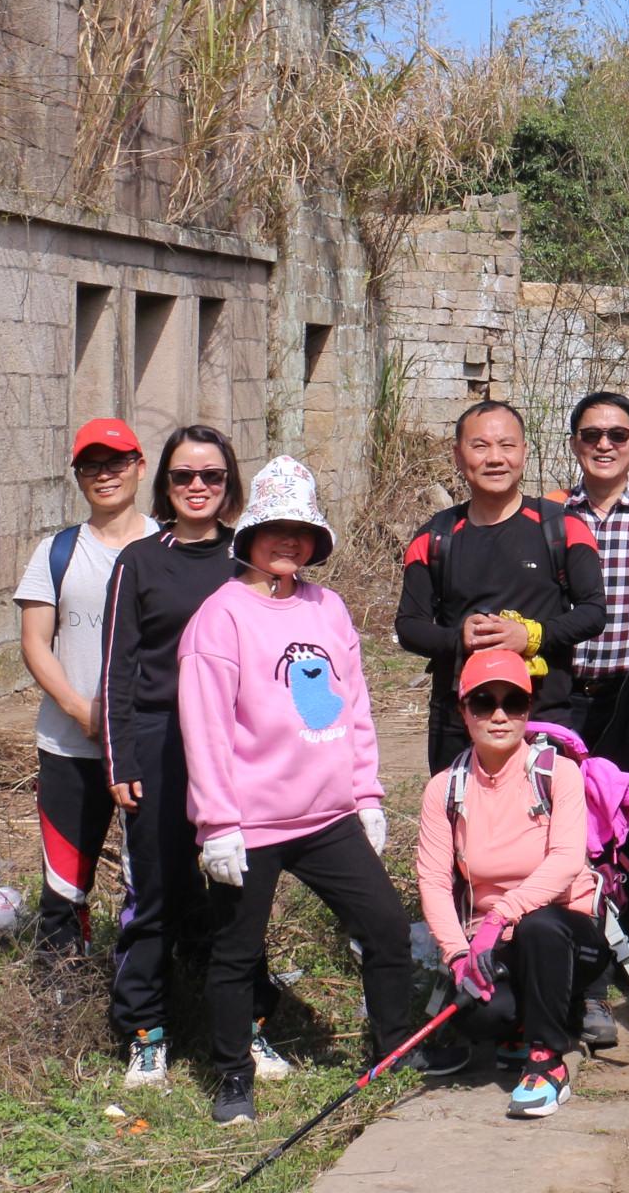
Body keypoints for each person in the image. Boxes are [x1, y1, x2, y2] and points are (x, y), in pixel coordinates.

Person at [177, 457, 415, 1127]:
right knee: (236, 952)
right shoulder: (220, 618)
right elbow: (205, 729)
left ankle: (394, 1050)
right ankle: (233, 1076)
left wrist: (366, 796)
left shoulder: (328, 608)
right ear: (251, 535)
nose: (289, 541)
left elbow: (355, 706)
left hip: (328, 816)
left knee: (386, 927)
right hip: (251, 823)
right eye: (276, 528)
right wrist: (217, 824)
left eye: (302, 530)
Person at [101, 424, 277, 1087]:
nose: (197, 486)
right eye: (183, 476)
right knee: (157, 889)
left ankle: (249, 1025)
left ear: (230, 484)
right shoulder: (139, 562)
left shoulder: (249, 558)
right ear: (165, 484)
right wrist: (121, 761)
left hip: (238, 745)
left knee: (239, 892)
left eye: (211, 476)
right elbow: (117, 671)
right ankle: (146, 1030)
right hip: (161, 743)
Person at [417, 646, 599, 1120]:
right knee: (482, 1016)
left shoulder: (559, 773)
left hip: (565, 932)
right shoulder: (444, 789)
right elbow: (433, 881)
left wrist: (501, 913)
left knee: (540, 927)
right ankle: (522, 1022)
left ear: (528, 709)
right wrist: (457, 954)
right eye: (483, 703)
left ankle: (547, 1060)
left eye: (513, 703)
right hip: (491, 944)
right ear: (463, 711)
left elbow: (566, 861)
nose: (499, 716)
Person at [549, 390, 629, 1044]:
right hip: (567, 697)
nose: (604, 444)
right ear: (574, 443)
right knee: (573, 835)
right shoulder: (549, 515)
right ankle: (582, 968)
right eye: (591, 434)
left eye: (617, 435)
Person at [396, 400, 607, 771]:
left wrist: (531, 636)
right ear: (458, 455)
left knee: (543, 811)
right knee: (461, 811)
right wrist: (459, 638)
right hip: (459, 721)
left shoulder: (563, 528)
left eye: (506, 445)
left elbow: (593, 612)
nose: (495, 458)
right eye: (480, 446)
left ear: (524, 452)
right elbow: (409, 626)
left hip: (541, 720)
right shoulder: (434, 538)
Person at [15, 418, 154, 960]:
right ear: (77, 478)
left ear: (140, 467)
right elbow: (34, 642)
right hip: (70, 743)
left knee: (154, 874)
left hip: (147, 745)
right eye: (91, 466)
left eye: (116, 462)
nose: (105, 474)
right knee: (65, 879)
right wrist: (80, 710)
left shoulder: (167, 547)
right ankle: (61, 976)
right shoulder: (57, 551)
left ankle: (147, 979)